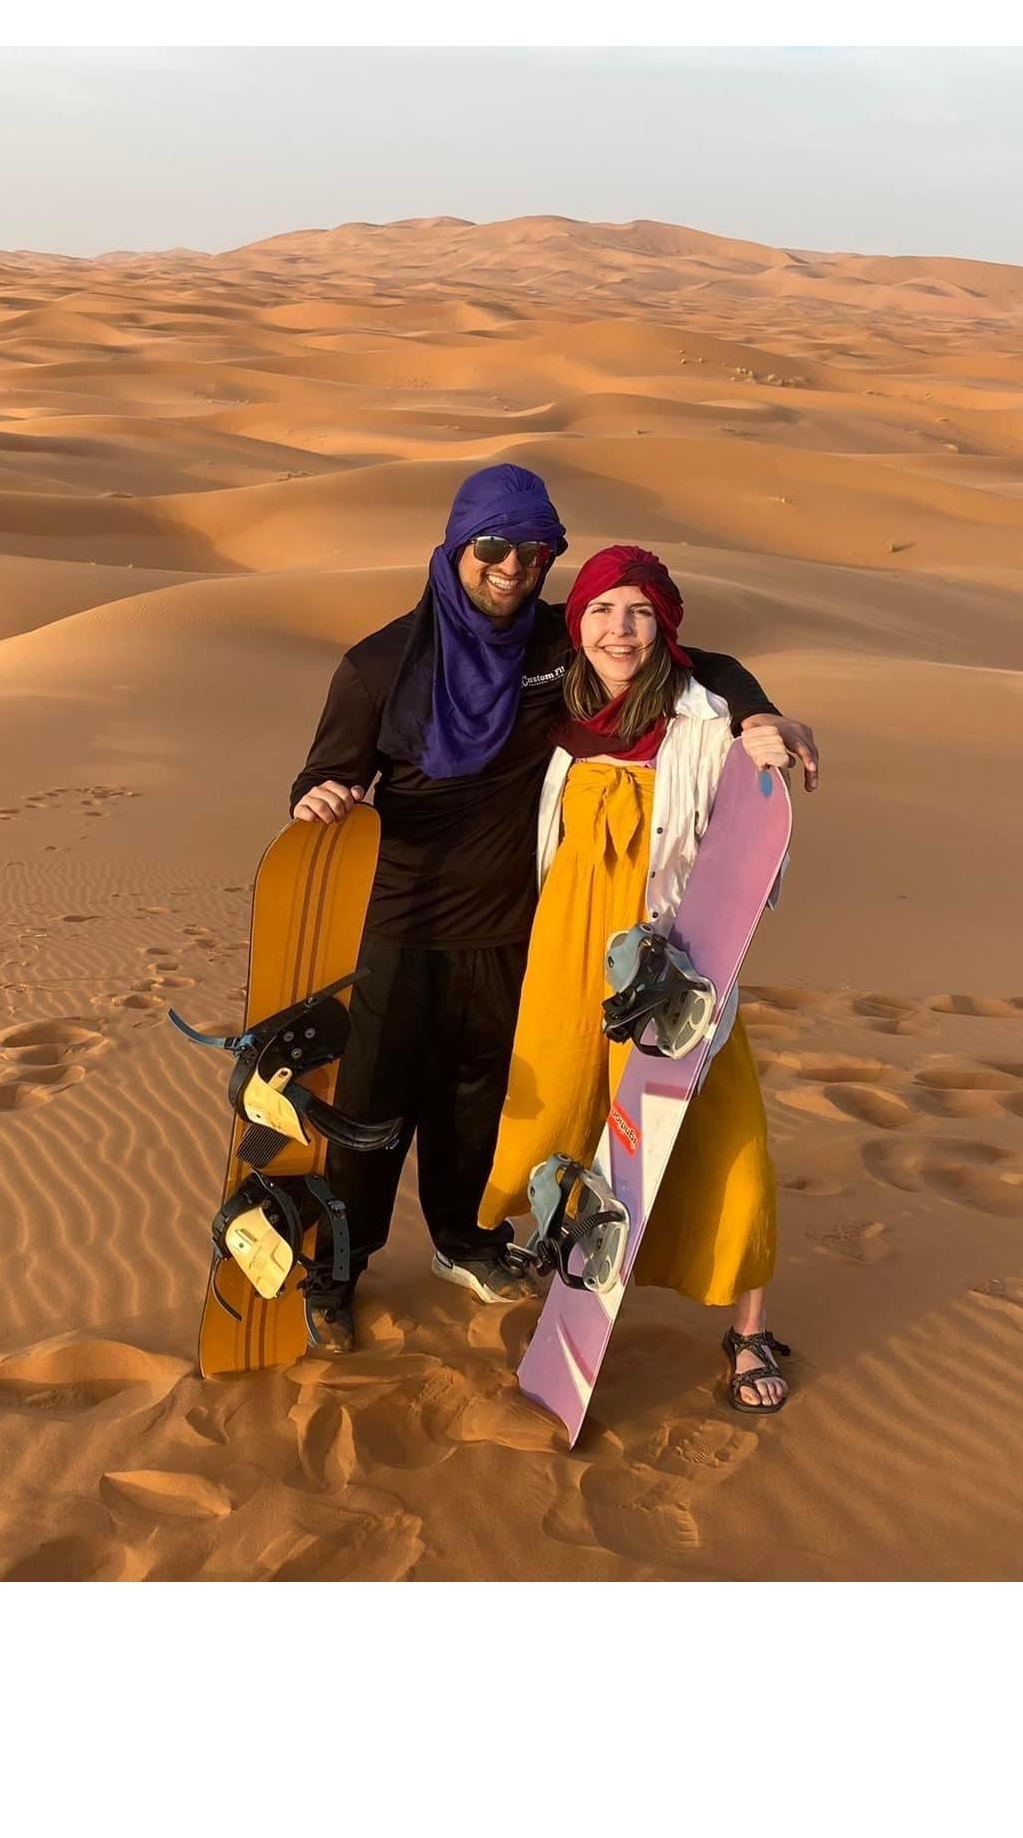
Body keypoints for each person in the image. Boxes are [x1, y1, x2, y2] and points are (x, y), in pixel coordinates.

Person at [289, 464, 817, 1356]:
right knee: (375, 1110)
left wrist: (758, 711)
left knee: (482, 1104)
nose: (512, 567)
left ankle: (463, 1241)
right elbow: (325, 769)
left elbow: (689, 658)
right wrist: (321, 796)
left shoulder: (551, 650)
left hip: (518, 932)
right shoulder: (379, 665)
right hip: (400, 929)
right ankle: (337, 1270)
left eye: (535, 553)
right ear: (457, 547)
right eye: (492, 548)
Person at [477, 542, 793, 1412]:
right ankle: (567, 1288)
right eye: (604, 610)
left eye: (642, 612)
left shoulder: (705, 716)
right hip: (567, 958)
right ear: (576, 624)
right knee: (567, 1122)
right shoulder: (556, 708)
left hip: (673, 965)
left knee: (728, 1140)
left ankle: (750, 1330)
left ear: (666, 627)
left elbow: (752, 822)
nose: (621, 629)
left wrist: (763, 722)